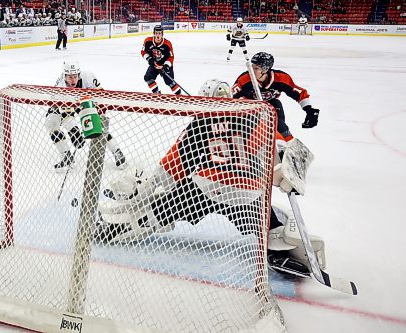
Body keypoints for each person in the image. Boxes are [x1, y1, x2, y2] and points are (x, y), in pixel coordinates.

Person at [96, 79, 325, 278]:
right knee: (267, 226)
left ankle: (114, 230)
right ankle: (280, 249)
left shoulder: (200, 122)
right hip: (247, 191)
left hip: (205, 188)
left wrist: (151, 191)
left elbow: (173, 168)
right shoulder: (256, 116)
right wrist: (286, 177)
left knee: (157, 214)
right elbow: (286, 150)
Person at [44, 60, 127, 171]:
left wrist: (99, 115)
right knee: (51, 122)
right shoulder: (61, 86)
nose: (73, 80)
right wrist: (73, 130)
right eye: (69, 77)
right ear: (64, 76)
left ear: (79, 74)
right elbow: (65, 113)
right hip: (67, 102)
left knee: (96, 125)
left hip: (86, 99)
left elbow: (101, 95)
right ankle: (66, 155)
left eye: (75, 77)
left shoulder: (88, 76)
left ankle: (117, 151)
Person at [231, 52, 320, 142]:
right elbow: (230, 98)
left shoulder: (281, 78)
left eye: (256, 68)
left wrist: (309, 110)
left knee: (279, 125)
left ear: (265, 70)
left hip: (271, 104)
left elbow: (299, 93)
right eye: (252, 67)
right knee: (249, 128)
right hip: (250, 106)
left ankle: (288, 144)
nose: (251, 70)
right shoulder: (244, 79)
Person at [140, 25, 182, 95]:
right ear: (154, 33)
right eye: (156, 33)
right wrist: (149, 59)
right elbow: (143, 51)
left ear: (162, 34)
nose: (158, 35)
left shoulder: (167, 44)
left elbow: (171, 57)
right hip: (155, 63)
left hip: (164, 65)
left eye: (159, 33)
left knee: (169, 82)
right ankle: (156, 93)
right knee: (148, 77)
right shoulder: (148, 41)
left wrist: (166, 66)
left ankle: (179, 96)